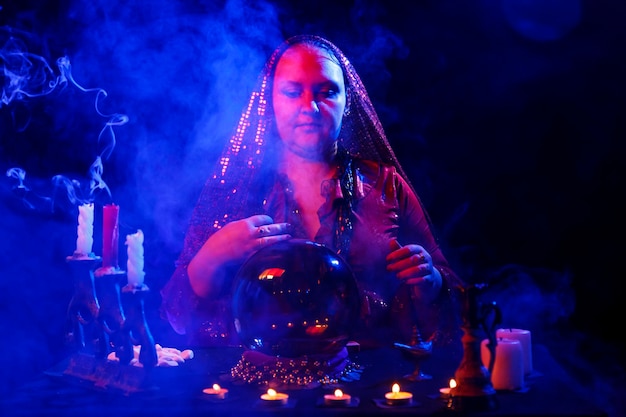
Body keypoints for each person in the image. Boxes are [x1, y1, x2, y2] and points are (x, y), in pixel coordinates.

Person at [160, 34, 463, 349]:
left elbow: (452, 296)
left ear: (348, 103)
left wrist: (430, 281)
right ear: (271, 102)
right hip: (255, 387)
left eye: (327, 91)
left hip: (369, 386)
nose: (311, 107)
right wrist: (213, 255)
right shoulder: (237, 190)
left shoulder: (385, 187)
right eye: (293, 92)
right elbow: (178, 317)